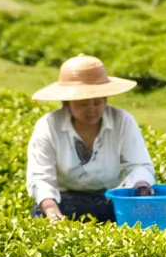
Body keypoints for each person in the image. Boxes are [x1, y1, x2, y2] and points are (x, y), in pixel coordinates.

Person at [27, 55, 155, 223]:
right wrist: (52, 212)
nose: (92, 110)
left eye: (97, 102)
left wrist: (141, 186)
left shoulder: (122, 121)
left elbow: (139, 165)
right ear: (67, 102)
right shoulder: (48, 125)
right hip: (64, 201)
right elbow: (41, 178)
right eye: (83, 104)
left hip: (110, 198)